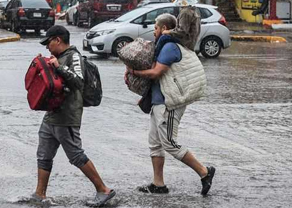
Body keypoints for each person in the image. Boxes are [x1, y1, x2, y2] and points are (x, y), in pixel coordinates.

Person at [129, 14, 216, 196]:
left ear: (164, 28)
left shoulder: (169, 47)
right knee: (155, 143)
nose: (154, 32)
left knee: (169, 143)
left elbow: (156, 73)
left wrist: (135, 72)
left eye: (155, 28)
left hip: (168, 103)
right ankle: (158, 184)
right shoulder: (164, 45)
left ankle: (204, 172)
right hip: (157, 102)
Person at [32, 25, 115, 207]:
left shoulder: (74, 56)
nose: (47, 47)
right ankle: (39, 194)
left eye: (49, 43)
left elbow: (78, 81)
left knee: (76, 155)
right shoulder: (59, 57)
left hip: (67, 116)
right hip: (52, 114)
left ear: (58, 40)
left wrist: (58, 67)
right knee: (43, 155)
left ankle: (103, 189)